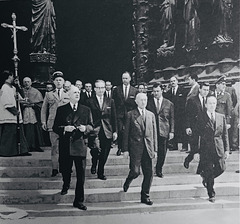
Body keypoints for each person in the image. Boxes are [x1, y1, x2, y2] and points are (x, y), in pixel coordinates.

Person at [53, 85, 93, 210]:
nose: (77, 94)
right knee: (65, 169)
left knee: (81, 175)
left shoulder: (85, 109)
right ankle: (66, 184)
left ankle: (78, 201)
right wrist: (64, 128)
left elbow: (92, 126)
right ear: (68, 95)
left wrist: (85, 128)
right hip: (66, 145)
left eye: (78, 92)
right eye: (74, 92)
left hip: (80, 145)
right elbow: (55, 127)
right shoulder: (61, 109)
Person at [123, 93, 157, 205]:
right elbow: (126, 133)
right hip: (135, 148)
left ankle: (145, 196)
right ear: (136, 101)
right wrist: (125, 150)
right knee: (135, 171)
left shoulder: (151, 115)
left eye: (145, 100)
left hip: (148, 148)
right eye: (141, 100)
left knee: (149, 173)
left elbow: (154, 133)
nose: (143, 102)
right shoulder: (130, 115)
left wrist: (155, 149)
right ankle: (129, 179)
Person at [196, 95, 229, 202]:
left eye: (214, 103)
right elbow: (197, 135)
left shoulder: (221, 116)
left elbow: (225, 135)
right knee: (209, 171)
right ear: (206, 105)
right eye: (210, 103)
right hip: (206, 149)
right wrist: (196, 150)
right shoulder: (201, 117)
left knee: (221, 168)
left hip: (219, 148)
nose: (212, 105)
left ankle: (206, 178)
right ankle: (211, 194)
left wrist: (227, 150)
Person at [86, 80, 118, 180]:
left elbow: (113, 117)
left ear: (105, 88)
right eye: (98, 88)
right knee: (95, 149)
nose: (100, 90)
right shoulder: (89, 101)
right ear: (94, 89)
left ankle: (101, 171)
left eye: (102, 88)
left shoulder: (110, 101)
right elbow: (87, 116)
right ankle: (94, 162)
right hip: (95, 129)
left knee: (105, 151)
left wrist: (115, 131)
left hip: (107, 129)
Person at [41, 71, 70, 177]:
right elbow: (44, 109)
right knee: (54, 147)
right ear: (53, 81)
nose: (58, 82)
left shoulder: (68, 94)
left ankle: (64, 167)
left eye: (60, 80)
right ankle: (54, 168)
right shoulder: (49, 94)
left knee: (65, 147)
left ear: (64, 82)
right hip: (52, 124)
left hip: (65, 125)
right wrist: (43, 121)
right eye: (56, 80)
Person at [147, 83, 174, 178]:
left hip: (164, 130)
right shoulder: (148, 102)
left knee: (162, 152)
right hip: (151, 130)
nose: (156, 93)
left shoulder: (169, 103)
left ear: (161, 91)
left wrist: (172, 131)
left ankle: (159, 169)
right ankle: (150, 169)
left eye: (157, 91)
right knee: (150, 150)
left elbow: (172, 118)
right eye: (154, 91)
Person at [0, 71, 30, 157]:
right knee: (9, 135)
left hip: (15, 115)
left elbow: (21, 98)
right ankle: (6, 152)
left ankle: (21, 151)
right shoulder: (5, 88)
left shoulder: (12, 88)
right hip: (9, 115)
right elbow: (6, 102)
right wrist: (14, 111)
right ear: (9, 77)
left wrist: (18, 86)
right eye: (12, 76)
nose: (13, 78)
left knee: (19, 133)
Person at [184, 82, 210, 169]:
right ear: (200, 89)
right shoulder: (192, 100)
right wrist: (188, 127)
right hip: (195, 126)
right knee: (194, 147)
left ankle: (200, 168)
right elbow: (187, 114)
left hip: (206, 127)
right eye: (204, 90)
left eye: (207, 90)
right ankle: (188, 159)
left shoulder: (209, 100)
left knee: (204, 148)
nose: (206, 92)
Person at [112, 71, 138, 156]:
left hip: (130, 114)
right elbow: (114, 103)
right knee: (120, 131)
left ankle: (129, 148)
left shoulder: (135, 90)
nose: (124, 80)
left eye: (126, 78)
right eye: (123, 78)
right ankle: (120, 148)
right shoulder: (117, 90)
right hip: (119, 114)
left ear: (130, 79)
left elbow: (135, 104)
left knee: (130, 131)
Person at [21, 77, 44, 152]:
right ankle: (27, 146)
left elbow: (40, 104)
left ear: (31, 83)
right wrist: (23, 105)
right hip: (24, 112)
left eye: (28, 82)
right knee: (26, 129)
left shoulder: (36, 91)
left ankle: (35, 146)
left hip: (33, 112)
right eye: (25, 82)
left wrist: (33, 105)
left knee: (34, 129)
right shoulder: (21, 91)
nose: (26, 83)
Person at [164, 76, 187, 151]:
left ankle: (184, 146)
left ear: (177, 81)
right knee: (174, 129)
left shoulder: (182, 91)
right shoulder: (169, 92)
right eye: (171, 81)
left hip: (181, 114)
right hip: (173, 114)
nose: (172, 83)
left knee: (183, 129)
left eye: (174, 81)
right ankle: (174, 145)